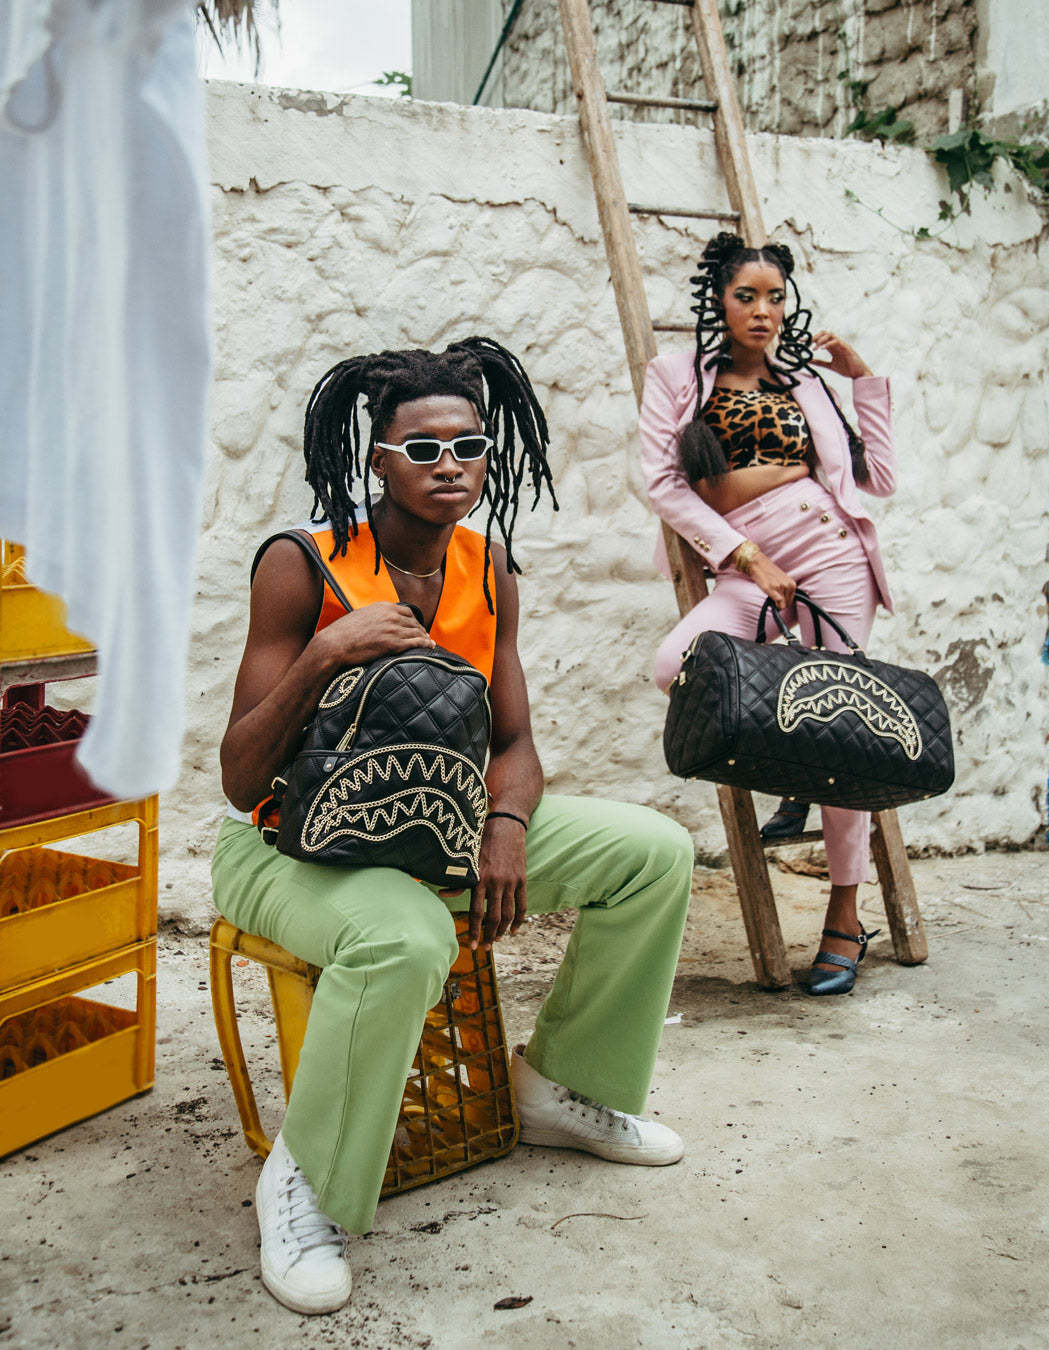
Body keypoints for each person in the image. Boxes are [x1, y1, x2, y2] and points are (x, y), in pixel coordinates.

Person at [214, 337, 694, 1315]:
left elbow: (514, 740)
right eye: (423, 449)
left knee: (654, 852)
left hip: (442, 824)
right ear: (378, 461)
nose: (450, 466)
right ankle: (305, 1182)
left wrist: (506, 823)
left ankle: (559, 1088)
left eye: (469, 447)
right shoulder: (303, 565)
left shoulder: (488, 567)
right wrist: (327, 653)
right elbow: (238, 776)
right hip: (287, 843)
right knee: (405, 938)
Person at [639, 233, 897, 997]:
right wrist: (747, 556)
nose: (763, 310)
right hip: (750, 567)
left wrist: (863, 379)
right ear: (719, 301)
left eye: (776, 297)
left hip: (831, 554)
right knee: (677, 665)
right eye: (746, 296)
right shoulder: (677, 376)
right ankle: (794, 770)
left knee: (846, 730)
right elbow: (664, 484)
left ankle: (845, 918)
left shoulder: (807, 382)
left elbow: (879, 479)